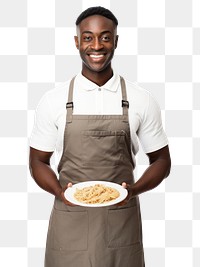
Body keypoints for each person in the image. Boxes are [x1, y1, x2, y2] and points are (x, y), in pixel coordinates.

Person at [29, 6, 171, 267]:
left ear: (116, 41)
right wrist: (60, 192)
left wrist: (135, 190)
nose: (97, 45)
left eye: (105, 37)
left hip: (120, 223)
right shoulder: (53, 101)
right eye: (88, 37)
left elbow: (162, 160)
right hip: (69, 223)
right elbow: (37, 161)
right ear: (77, 42)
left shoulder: (141, 99)